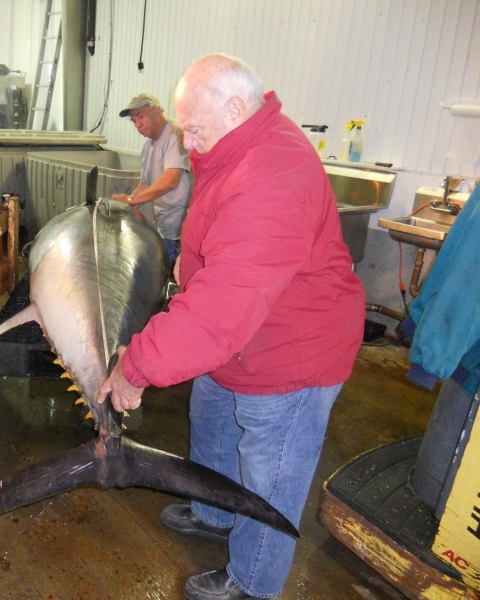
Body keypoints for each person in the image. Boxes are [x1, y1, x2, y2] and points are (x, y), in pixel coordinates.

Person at [97, 55, 365, 600]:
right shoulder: (237, 143)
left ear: (236, 107)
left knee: (269, 474)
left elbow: (221, 309)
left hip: (291, 351)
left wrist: (136, 366)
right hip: (244, 340)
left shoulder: (273, 172)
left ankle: (253, 581)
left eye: (193, 128)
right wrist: (189, 261)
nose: (188, 142)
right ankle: (214, 512)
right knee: (213, 415)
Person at [111, 93, 192, 267]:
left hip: (182, 229)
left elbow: (170, 180)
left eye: (141, 116)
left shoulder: (175, 136)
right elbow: (145, 185)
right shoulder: (148, 147)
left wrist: (132, 199)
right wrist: (124, 207)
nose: (138, 124)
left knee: (175, 279)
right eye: (133, 120)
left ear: (157, 112)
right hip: (165, 226)